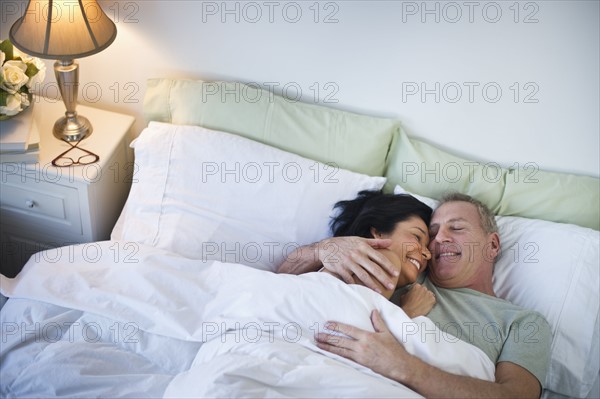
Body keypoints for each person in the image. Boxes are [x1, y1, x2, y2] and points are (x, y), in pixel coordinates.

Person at [277, 192, 552, 399]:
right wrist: (323, 250)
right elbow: (285, 285)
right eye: (431, 233)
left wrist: (404, 367)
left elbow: (517, 396)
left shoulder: (523, 322)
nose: (437, 241)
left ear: (492, 245)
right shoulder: (408, 265)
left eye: (456, 228)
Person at [313, 190, 435, 316]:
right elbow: (345, 329)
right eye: (417, 236)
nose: (428, 254)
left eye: (426, 246)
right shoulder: (385, 258)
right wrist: (408, 313)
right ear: (378, 233)